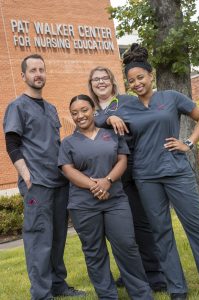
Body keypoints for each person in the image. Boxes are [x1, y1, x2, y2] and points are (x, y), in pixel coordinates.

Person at [103, 43, 199, 300]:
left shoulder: (170, 97)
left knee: (196, 227)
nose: (136, 83)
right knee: (161, 232)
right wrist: (110, 117)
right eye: (131, 80)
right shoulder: (122, 104)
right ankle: (177, 289)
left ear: (151, 76)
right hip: (146, 177)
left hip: (177, 171)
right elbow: (94, 115)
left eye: (140, 77)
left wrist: (188, 143)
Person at [3, 54, 85, 300]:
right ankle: (41, 293)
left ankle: (58, 284)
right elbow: (12, 143)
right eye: (33, 70)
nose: (38, 74)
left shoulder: (50, 108)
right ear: (24, 75)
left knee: (58, 237)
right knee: (39, 239)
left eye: (41, 69)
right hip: (37, 184)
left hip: (59, 182)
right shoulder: (17, 106)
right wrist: (26, 176)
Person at [58, 94, 154, 300]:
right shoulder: (68, 142)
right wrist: (95, 185)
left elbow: (122, 160)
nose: (80, 116)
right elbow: (67, 169)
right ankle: (107, 295)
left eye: (84, 110)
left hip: (115, 200)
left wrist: (107, 181)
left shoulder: (111, 135)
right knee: (94, 252)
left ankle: (141, 294)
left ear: (93, 110)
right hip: (83, 205)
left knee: (127, 246)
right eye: (74, 113)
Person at [88, 66, 167, 292]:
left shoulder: (127, 101)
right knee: (119, 228)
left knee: (140, 223)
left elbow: (146, 118)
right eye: (96, 80)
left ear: (112, 82)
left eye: (104, 78)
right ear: (91, 85)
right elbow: (89, 123)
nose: (101, 82)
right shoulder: (91, 109)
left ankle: (155, 273)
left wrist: (112, 114)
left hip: (132, 168)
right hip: (104, 172)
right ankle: (130, 272)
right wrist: (107, 116)